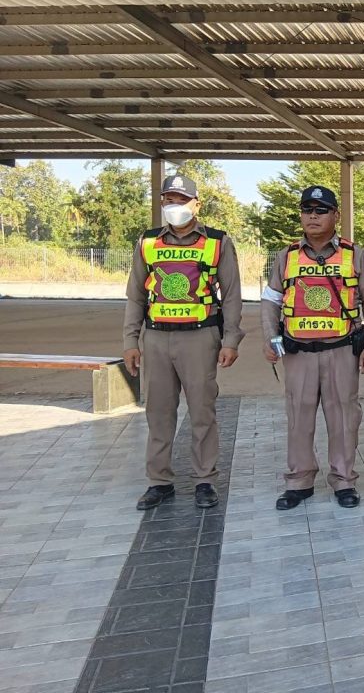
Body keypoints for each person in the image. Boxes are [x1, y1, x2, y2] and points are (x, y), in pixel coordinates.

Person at [124, 173, 243, 511]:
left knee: (202, 411)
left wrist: (231, 339)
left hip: (200, 337)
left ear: (196, 204)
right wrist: (130, 340)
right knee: (158, 412)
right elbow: (135, 296)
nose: (174, 205)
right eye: (169, 199)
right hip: (157, 337)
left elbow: (231, 295)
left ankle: (205, 479)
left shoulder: (217, 242)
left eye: (181, 199)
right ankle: (159, 481)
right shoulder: (148, 242)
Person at [261, 185, 364, 511]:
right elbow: (271, 300)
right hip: (297, 352)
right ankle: (299, 482)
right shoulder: (287, 256)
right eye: (307, 210)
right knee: (298, 417)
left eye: (321, 210)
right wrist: (271, 338)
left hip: (341, 350)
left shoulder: (354, 254)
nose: (312, 216)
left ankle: (343, 481)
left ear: (335, 215)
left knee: (344, 417)